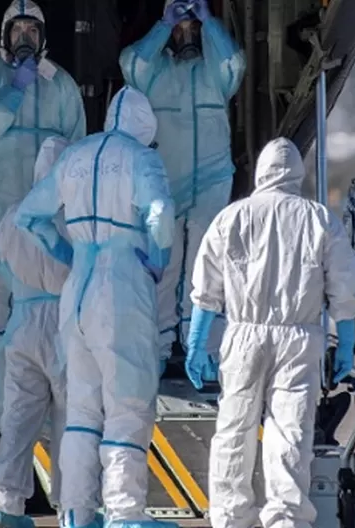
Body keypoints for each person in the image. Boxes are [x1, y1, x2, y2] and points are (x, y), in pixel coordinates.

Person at [14, 86, 175, 528]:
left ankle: (77, 510)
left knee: (83, 409)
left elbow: (29, 215)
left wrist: (70, 255)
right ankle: (124, 511)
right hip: (122, 288)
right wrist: (158, 261)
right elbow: (160, 213)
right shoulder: (143, 158)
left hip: (77, 291)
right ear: (147, 128)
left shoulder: (74, 157)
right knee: (128, 402)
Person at [184, 138, 355, 528]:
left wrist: (196, 343)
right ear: (298, 173)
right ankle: (286, 519)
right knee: (290, 433)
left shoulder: (232, 217)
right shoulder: (319, 219)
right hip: (299, 340)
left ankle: (231, 518)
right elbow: (343, 287)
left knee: (234, 429)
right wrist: (344, 338)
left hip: (243, 337)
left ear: (260, 171)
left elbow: (205, 287)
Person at [120, 0, 246, 373]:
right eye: (181, 28)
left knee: (206, 267)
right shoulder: (156, 72)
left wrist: (210, 24)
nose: (186, 34)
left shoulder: (214, 72)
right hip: (167, 180)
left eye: (191, 28)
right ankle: (158, 351)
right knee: (164, 267)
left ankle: (203, 350)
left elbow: (234, 64)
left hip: (211, 180)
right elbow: (132, 65)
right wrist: (162, 24)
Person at [0, 0, 85, 366]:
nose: (25, 37)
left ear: (42, 37)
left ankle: (46, 370)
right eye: (18, 30)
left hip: (46, 206)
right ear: (6, 35)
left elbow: (76, 145)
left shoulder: (61, 83)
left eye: (33, 31)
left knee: (48, 282)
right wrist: (16, 88)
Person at [0, 136, 71, 528]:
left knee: (19, 419)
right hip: (64, 323)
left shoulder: (11, 215)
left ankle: (4, 501)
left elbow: (1, 267)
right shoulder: (71, 216)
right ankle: (76, 506)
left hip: (21, 321)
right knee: (74, 419)